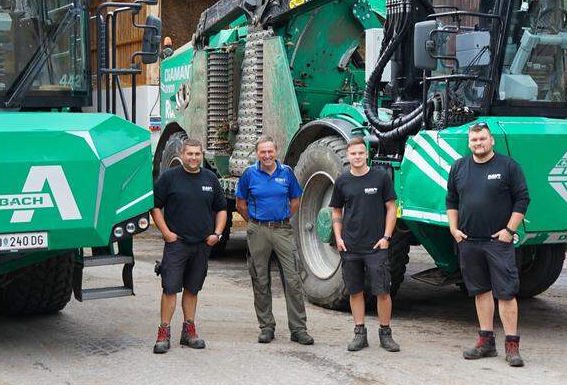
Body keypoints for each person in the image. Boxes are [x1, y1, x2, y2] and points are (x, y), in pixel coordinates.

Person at [445, 122, 530, 367]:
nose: (478, 143)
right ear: (469, 143)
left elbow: (523, 199)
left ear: (491, 140)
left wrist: (509, 230)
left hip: (498, 243)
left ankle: (512, 346)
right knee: (480, 291)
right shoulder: (459, 167)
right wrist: (453, 228)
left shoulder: (508, 166)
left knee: (506, 293)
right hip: (469, 241)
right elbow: (451, 199)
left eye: (482, 139)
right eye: (474, 140)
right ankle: (486, 342)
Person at [150, 138, 228, 354]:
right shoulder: (170, 177)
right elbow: (155, 206)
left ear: (201, 155)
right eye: (189, 154)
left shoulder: (210, 179)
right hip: (177, 245)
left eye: (197, 154)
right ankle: (163, 333)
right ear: (182, 155)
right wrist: (166, 233)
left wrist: (217, 234)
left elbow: (221, 209)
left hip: (202, 245)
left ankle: (189, 332)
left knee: (193, 290)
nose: (193, 158)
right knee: (169, 289)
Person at [235, 136, 313, 345]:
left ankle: (298, 329)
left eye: (270, 151)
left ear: (276, 151)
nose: (267, 155)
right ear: (257, 154)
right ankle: (266, 327)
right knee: (260, 279)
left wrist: (285, 215)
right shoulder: (250, 174)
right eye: (263, 152)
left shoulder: (286, 173)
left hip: (282, 230)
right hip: (258, 230)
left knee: (293, 279)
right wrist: (252, 221)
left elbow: (295, 199)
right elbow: (240, 203)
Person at [329, 137, 400, 352]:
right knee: (355, 291)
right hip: (350, 246)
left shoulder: (380, 177)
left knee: (382, 291)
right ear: (348, 156)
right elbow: (336, 210)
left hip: (376, 246)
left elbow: (391, 208)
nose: (357, 157)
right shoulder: (342, 181)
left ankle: (385, 333)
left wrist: (386, 237)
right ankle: (359, 333)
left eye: (360, 153)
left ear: (366, 154)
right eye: (353, 154)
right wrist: (339, 237)